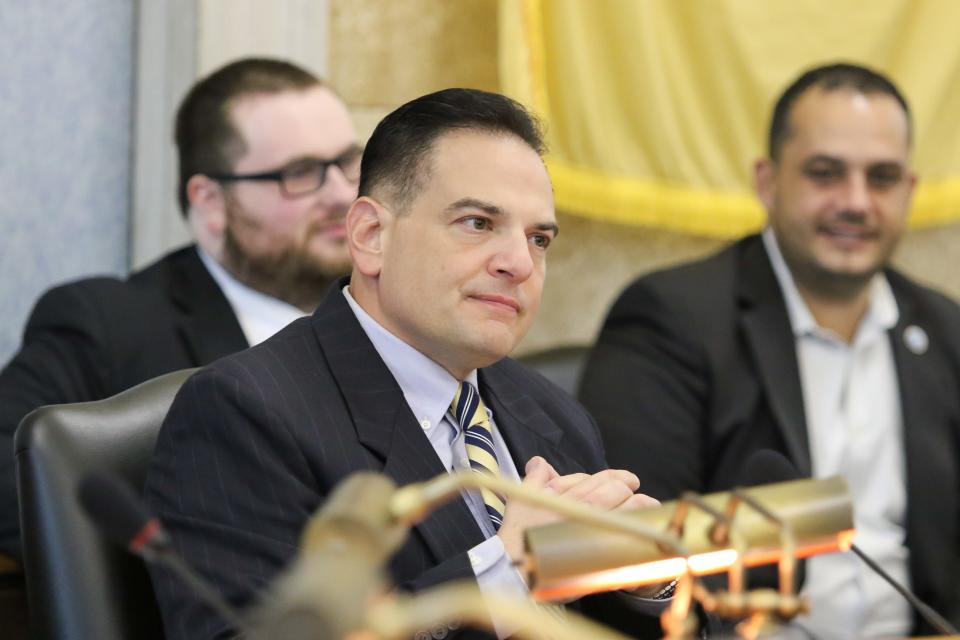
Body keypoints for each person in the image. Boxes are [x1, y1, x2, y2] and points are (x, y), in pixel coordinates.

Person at [145, 88, 669, 640]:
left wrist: (645, 585)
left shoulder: (552, 413)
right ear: (370, 236)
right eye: (477, 223)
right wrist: (510, 570)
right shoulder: (245, 413)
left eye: (538, 238)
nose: (519, 263)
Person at [579, 62, 960, 637]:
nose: (856, 202)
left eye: (881, 178)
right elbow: (627, 565)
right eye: (825, 173)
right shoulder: (671, 319)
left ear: (908, 191)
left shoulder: (946, 330)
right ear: (768, 182)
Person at [0, 57, 360, 558]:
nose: (343, 194)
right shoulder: (107, 325)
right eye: (301, 173)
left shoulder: (394, 317)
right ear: (211, 201)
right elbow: (12, 485)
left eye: (348, 162)